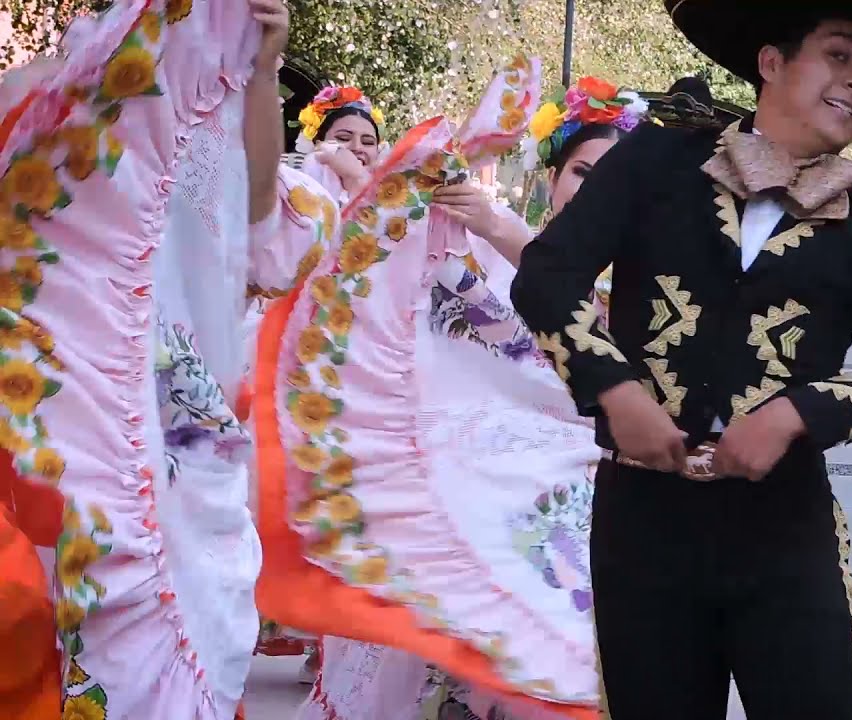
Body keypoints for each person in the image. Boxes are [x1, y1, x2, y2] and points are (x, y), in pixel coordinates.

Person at [509, 2, 852, 718]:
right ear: (772, 63)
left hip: (783, 530)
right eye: (839, 55)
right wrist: (615, 392)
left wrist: (796, 413)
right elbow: (546, 277)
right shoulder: (656, 161)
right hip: (642, 525)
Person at [278, 74, 649, 720]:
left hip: (579, 488)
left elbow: (600, 326)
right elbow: (394, 268)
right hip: (473, 471)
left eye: (615, 177)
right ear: (552, 180)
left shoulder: (650, 282)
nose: (597, 189)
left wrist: (502, 225)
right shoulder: (480, 247)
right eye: (583, 172)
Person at [0, 0, 310, 717]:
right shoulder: (75, 76)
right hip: (81, 373)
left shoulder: (230, 71)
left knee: (185, 597)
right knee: (84, 585)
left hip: (182, 401)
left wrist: (262, 68)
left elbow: (261, 224)